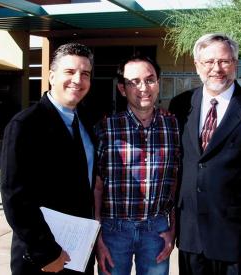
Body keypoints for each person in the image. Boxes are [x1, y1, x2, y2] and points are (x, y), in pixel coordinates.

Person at [168, 33, 241, 275]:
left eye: (224, 61)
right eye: (209, 62)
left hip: (240, 240)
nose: (217, 69)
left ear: (235, 63)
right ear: (197, 65)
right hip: (192, 238)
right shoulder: (180, 106)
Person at [0, 42, 95, 275]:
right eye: (70, 72)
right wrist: (47, 252)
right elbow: (15, 198)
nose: (78, 80)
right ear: (52, 76)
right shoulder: (25, 125)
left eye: (85, 74)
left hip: (80, 252)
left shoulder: (88, 121)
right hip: (43, 258)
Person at [94, 55, 180, 275]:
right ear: (122, 89)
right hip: (113, 230)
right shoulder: (106, 128)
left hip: (156, 230)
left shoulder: (174, 127)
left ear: (158, 83)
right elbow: (97, 186)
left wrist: (173, 229)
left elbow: (176, 181)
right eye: (134, 82)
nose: (144, 88)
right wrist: (97, 237)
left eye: (150, 80)